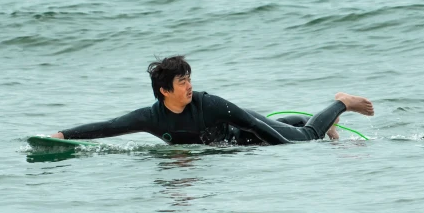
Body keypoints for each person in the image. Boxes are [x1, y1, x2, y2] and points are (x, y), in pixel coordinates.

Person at [51, 55, 374, 146]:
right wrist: (64, 135)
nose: (190, 86)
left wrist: (290, 147)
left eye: (190, 79)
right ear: (164, 91)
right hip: (241, 144)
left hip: (245, 128)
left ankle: (342, 103)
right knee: (288, 127)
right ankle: (324, 123)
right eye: (182, 82)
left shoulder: (210, 104)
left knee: (305, 137)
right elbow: (110, 127)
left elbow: (254, 125)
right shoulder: (152, 118)